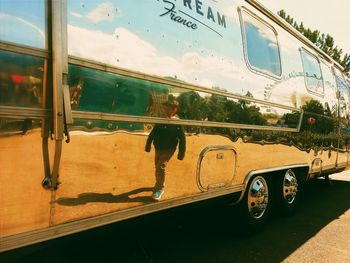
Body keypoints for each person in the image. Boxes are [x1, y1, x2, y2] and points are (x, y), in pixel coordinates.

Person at [145, 98, 186, 201]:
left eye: (168, 108)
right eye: (165, 108)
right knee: (157, 166)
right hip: (158, 147)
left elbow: (182, 138)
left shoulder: (177, 123)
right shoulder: (162, 120)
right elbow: (153, 133)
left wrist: (181, 153)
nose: (165, 110)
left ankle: (159, 189)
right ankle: (158, 183)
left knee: (161, 167)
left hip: (169, 149)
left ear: (174, 109)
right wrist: (148, 144)